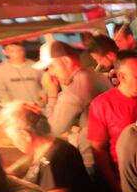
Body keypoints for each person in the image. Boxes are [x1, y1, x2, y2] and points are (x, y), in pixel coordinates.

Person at [88, 50, 137, 192]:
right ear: (122, 76)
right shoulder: (102, 105)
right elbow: (98, 150)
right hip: (131, 183)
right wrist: (115, 183)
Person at [39, 41, 111, 170]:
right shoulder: (96, 75)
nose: (51, 73)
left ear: (66, 61)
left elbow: (53, 129)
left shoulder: (73, 92)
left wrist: (52, 93)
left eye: (52, 67)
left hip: (92, 159)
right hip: (109, 150)